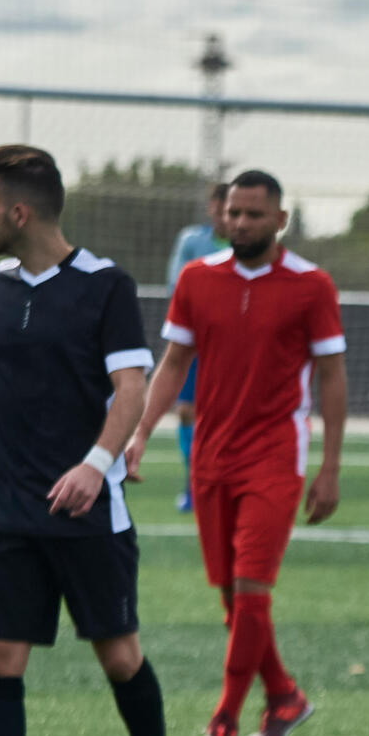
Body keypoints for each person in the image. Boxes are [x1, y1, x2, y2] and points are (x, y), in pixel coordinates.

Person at [0, 145, 168, 736]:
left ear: (19, 213)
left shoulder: (105, 286)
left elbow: (132, 389)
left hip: (86, 513)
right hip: (7, 509)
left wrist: (94, 465)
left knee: (119, 656)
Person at [126, 169, 347, 736]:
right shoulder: (197, 279)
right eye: (234, 213)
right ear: (221, 216)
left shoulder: (311, 285)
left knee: (250, 592)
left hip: (276, 456)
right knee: (229, 595)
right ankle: (284, 696)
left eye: (254, 214)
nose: (242, 223)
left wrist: (330, 467)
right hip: (210, 455)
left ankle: (224, 718)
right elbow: (174, 363)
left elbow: (331, 375)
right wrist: (141, 432)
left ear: (281, 220)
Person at [165, 182, 231, 513]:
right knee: (187, 411)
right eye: (222, 210)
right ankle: (193, 484)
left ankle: (221, 484)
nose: (228, 218)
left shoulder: (248, 245)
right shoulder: (192, 241)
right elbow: (177, 286)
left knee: (226, 413)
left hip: (233, 346)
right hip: (195, 342)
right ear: (212, 209)